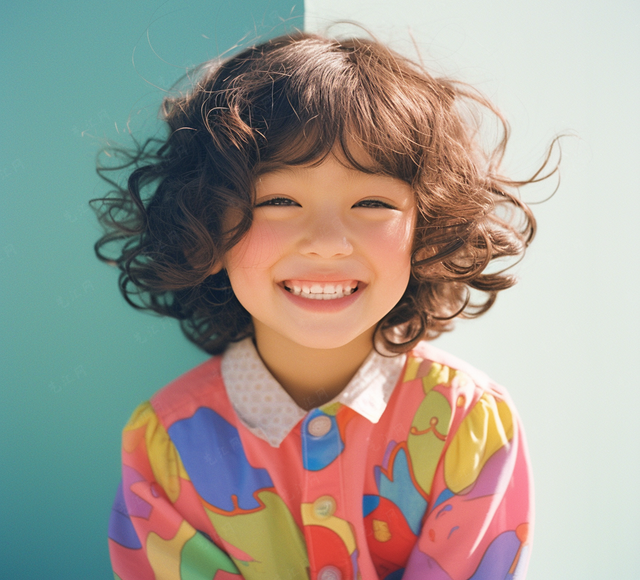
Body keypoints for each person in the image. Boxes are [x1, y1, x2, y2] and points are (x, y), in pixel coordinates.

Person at [96, 31, 551, 579]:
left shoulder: (468, 424)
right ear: (206, 230)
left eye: (372, 202)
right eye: (280, 200)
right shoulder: (166, 446)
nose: (329, 241)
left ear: (426, 233)